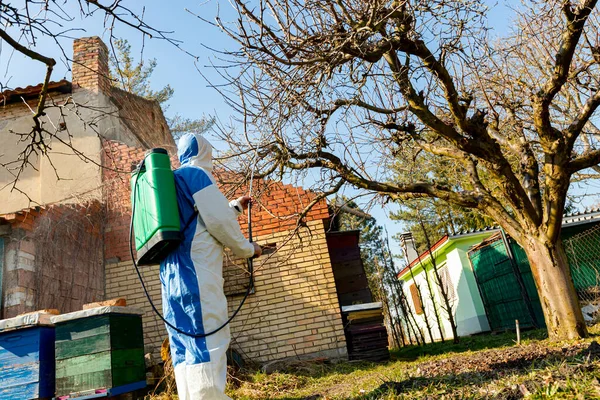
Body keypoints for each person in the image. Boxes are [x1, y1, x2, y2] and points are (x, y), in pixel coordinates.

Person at [160, 132, 261, 399]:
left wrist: (236, 207)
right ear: (205, 152)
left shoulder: (174, 181)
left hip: (171, 278)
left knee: (183, 346)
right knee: (208, 341)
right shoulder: (197, 176)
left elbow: (201, 218)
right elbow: (219, 224)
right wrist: (248, 249)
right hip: (197, 273)